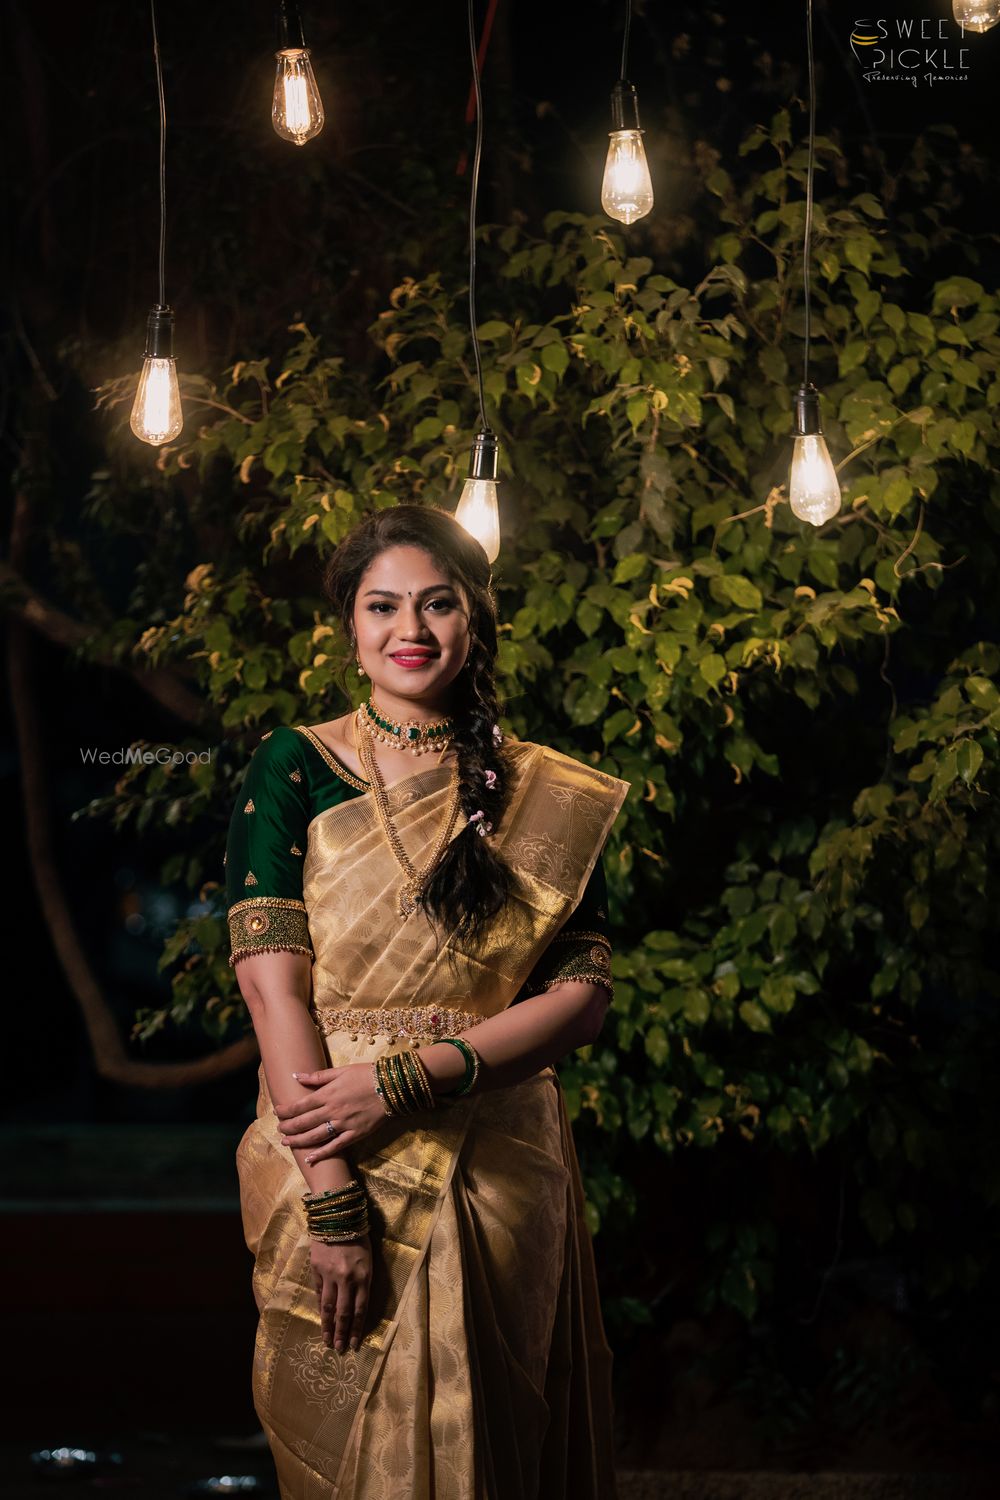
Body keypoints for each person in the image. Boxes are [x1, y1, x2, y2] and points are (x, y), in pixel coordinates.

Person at [225, 502, 631, 1499]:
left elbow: (582, 998)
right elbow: (276, 994)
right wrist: (329, 1204)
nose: (410, 629)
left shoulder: (541, 792)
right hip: (328, 1142)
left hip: (499, 1157)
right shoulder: (295, 765)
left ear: (475, 618)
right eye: (382, 606)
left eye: (437, 604)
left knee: (495, 1441)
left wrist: (406, 1080)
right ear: (351, 627)